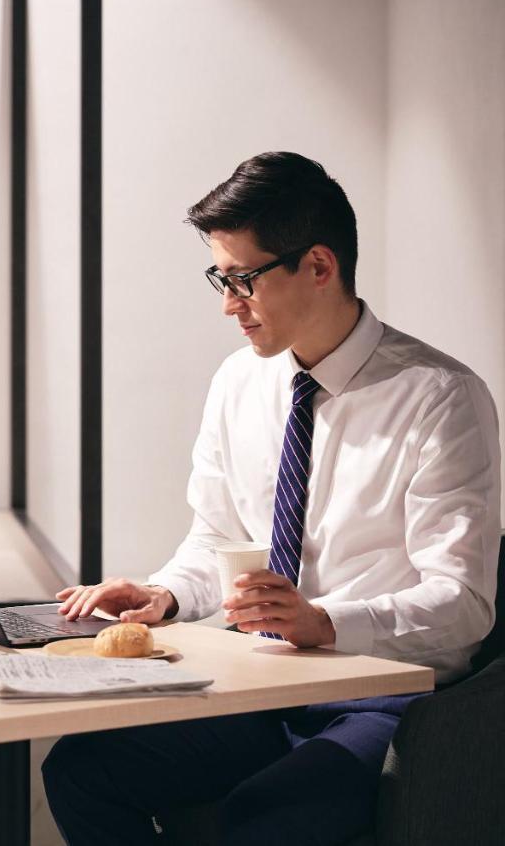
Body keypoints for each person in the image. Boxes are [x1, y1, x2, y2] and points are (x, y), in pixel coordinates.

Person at [41, 151, 501, 846]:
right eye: (220, 281)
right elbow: (216, 540)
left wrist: (324, 622)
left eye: (243, 281)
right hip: (256, 686)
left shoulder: (439, 398)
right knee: (82, 769)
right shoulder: (238, 383)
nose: (229, 305)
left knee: (264, 817)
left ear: (319, 266)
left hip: (381, 704)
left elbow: (463, 607)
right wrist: (163, 595)